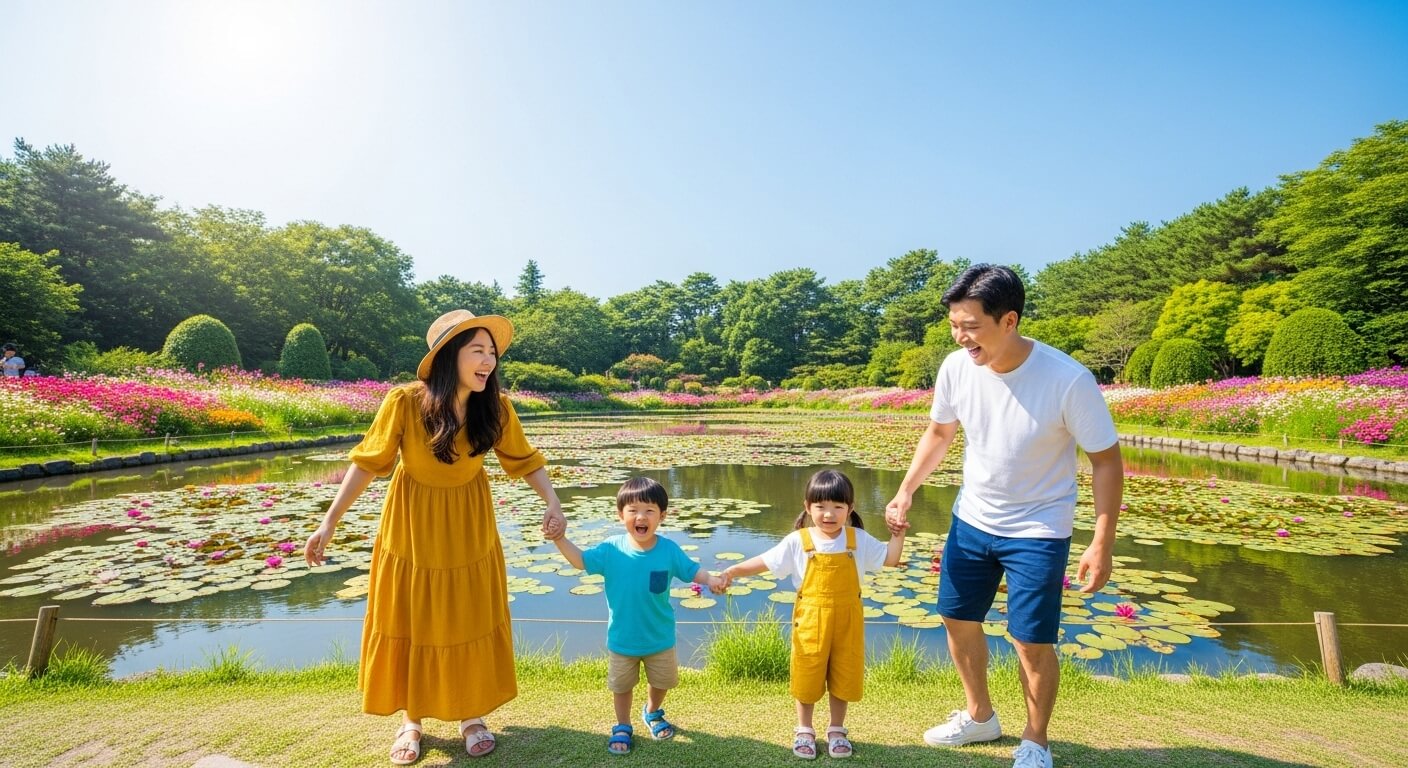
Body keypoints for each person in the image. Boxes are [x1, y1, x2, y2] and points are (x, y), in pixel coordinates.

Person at [883, 264, 1123, 768]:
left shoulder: (1067, 380)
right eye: (954, 324)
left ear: (1009, 320)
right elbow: (939, 434)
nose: (960, 337)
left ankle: (1035, 741)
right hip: (972, 517)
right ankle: (980, 717)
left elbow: (1105, 460)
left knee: (1031, 640)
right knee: (956, 616)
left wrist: (1101, 542)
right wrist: (906, 490)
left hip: (1038, 527)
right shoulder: (955, 367)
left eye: (971, 326)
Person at [304, 309, 566, 765]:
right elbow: (368, 462)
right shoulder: (404, 401)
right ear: (449, 357)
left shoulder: (496, 407)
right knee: (411, 613)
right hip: (411, 523)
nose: (488, 361)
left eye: (492, 352)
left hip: (468, 520)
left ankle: (471, 715)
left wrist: (552, 500)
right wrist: (329, 522)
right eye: (477, 351)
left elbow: (524, 459)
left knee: (467, 612)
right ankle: (412, 721)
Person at [718, 469, 906, 760]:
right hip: (810, 620)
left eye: (837, 507)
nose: (828, 514)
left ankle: (837, 730)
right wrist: (733, 570)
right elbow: (765, 562)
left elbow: (891, 559)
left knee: (844, 671)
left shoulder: (858, 539)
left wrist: (898, 534)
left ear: (850, 509)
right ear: (807, 507)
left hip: (848, 621)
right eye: (820, 507)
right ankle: (804, 729)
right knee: (807, 672)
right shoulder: (799, 540)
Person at [544, 476, 725, 755]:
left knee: (662, 681)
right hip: (622, 638)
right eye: (633, 510)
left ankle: (652, 711)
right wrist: (560, 538)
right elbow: (580, 560)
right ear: (621, 515)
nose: (641, 517)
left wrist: (711, 579)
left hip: (660, 637)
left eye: (650, 510)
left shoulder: (669, 550)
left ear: (662, 516)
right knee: (622, 686)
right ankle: (622, 725)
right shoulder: (610, 550)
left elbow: (692, 571)